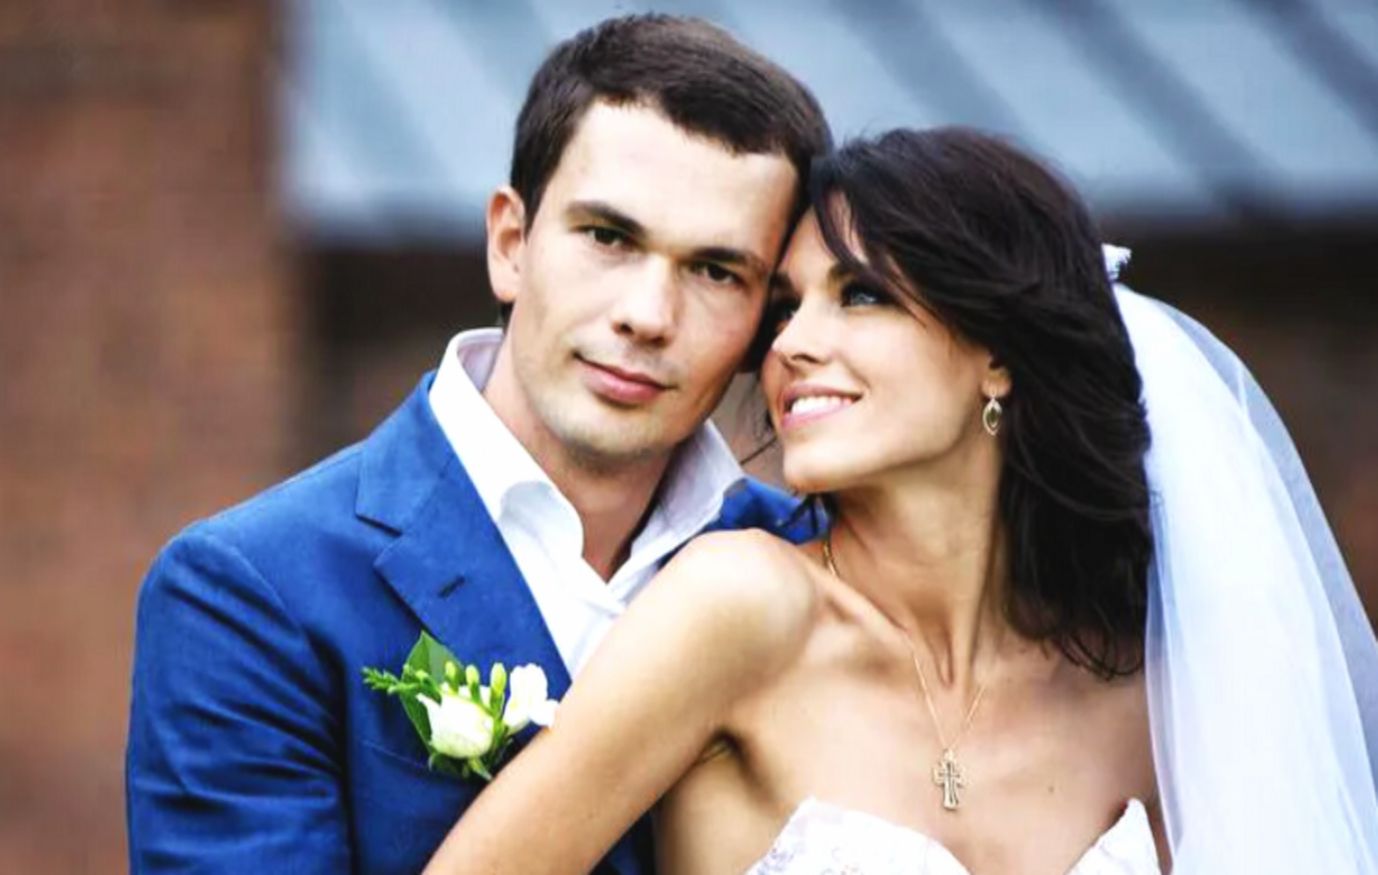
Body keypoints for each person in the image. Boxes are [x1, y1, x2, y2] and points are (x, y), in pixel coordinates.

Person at [422, 128, 1378, 874]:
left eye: (861, 294)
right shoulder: (741, 606)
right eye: (787, 306)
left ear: (998, 353)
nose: (791, 345)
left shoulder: (1149, 690)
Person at [124, 15, 831, 874]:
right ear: (510, 244)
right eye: (609, 237)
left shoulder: (816, 564)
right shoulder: (250, 592)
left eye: (716, 270)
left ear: (767, 318)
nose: (648, 316)